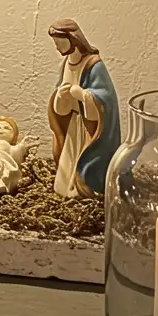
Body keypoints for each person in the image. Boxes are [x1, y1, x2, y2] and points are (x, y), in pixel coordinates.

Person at [48, 19, 121, 197]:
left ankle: (86, 188)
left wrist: (83, 95)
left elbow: (106, 97)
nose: (57, 47)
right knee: (69, 157)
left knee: (85, 157)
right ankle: (67, 186)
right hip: (74, 123)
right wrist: (61, 96)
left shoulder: (94, 65)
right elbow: (60, 103)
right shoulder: (65, 64)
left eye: (59, 42)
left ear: (73, 40)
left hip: (89, 129)